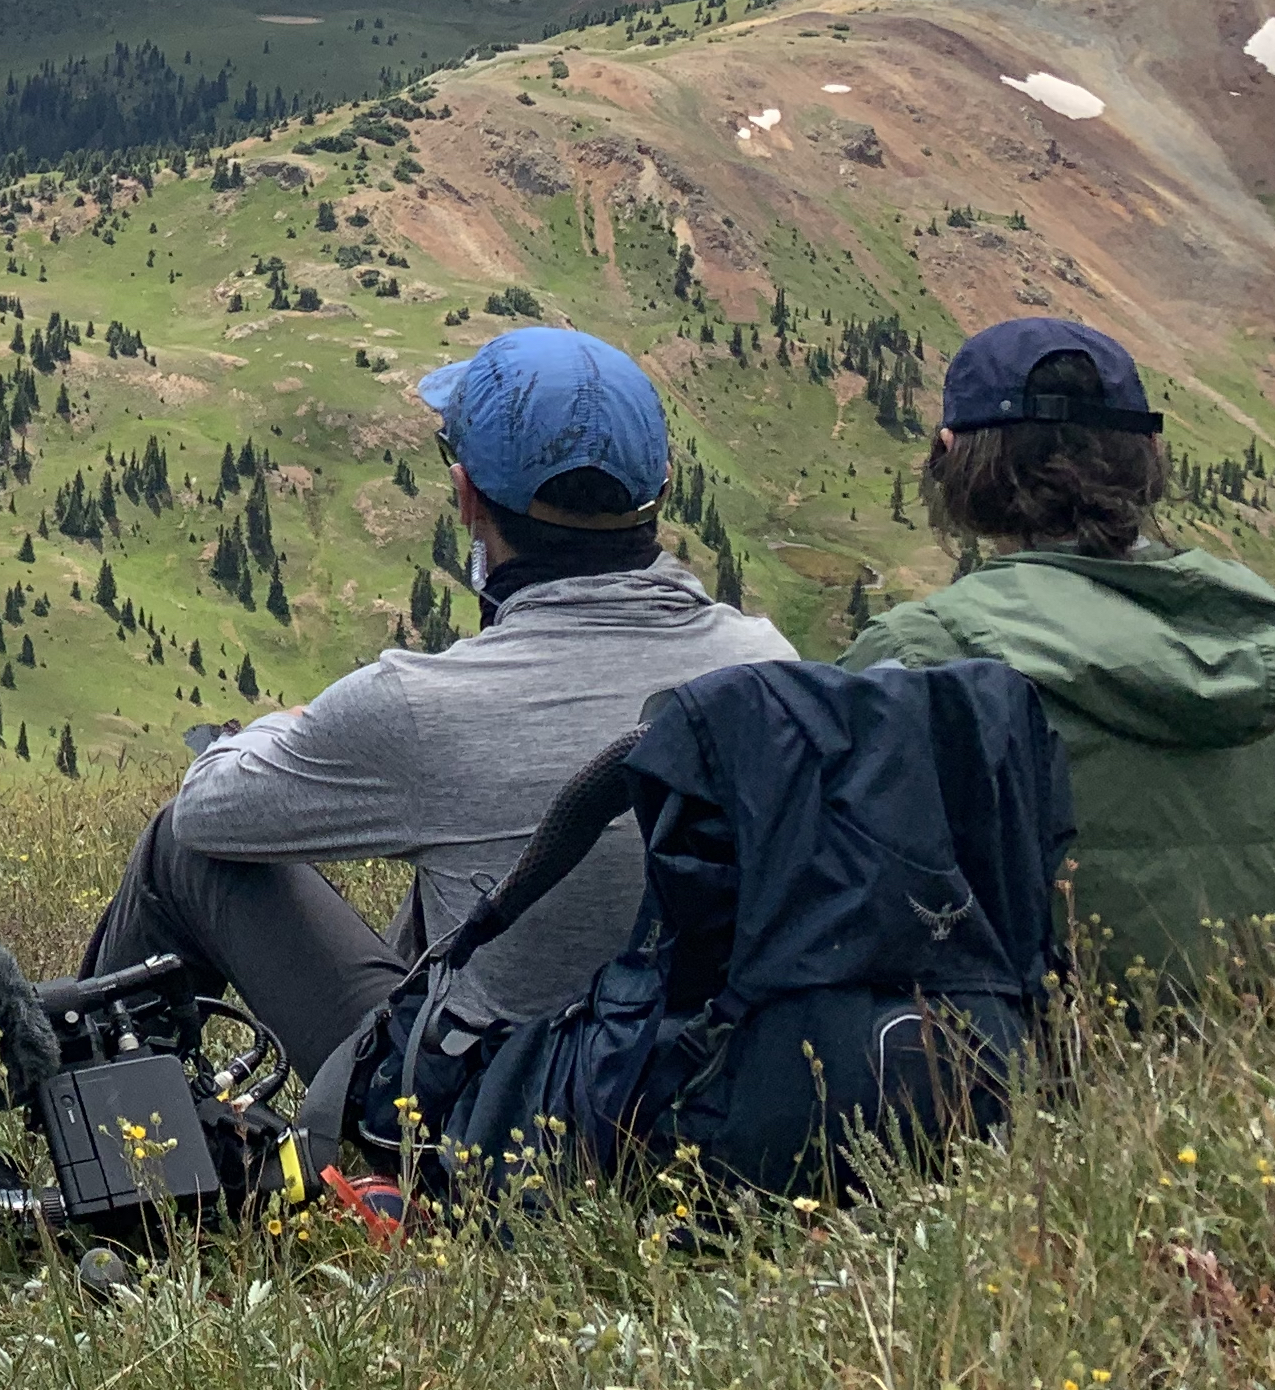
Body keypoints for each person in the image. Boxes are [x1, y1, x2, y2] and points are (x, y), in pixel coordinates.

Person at [76, 323, 793, 1101]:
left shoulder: (424, 707)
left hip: (476, 1125)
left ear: (466, 497)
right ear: (662, 485)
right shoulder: (767, 663)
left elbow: (210, 814)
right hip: (701, 1101)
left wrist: (276, 728)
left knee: (182, 848)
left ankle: (112, 1143)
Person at [844, 316, 1275, 995]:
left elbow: (838, 914)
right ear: (1144, 462)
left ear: (954, 457)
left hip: (1027, 1093)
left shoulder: (917, 660)